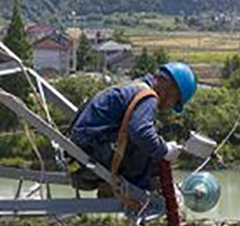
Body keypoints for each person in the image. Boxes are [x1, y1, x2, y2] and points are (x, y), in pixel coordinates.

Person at [68, 62, 197, 196]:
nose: (170, 107)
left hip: (80, 154)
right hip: (91, 152)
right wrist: (164, 150)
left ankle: (125, 188)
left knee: (151, 144)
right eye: (175, 101)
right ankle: (138, 196)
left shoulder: (134, 87)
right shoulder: (148, 97)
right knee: (149, 148)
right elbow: (142, 133)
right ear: (170, 88)